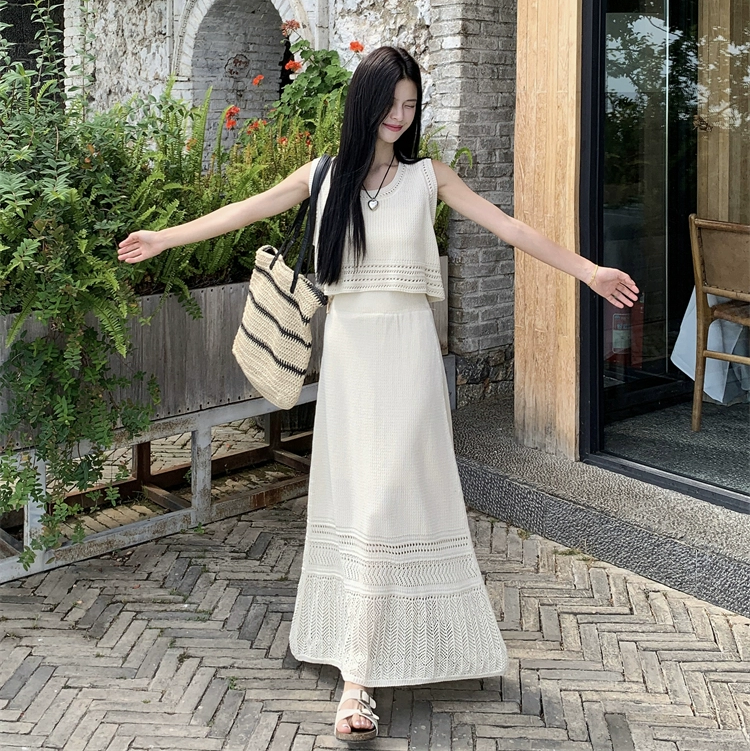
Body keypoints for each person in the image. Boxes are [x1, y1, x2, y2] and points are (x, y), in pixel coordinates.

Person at [118, 46, 639, 743]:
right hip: (351, 366)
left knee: (388, 501)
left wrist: (588, 271)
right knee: (361, 506)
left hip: (411, 362)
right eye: (392, 103)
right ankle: (358, 675)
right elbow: (245, 210)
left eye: (411, 105)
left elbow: (509, 227)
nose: (401, 116)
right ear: (366, 102)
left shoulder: (428, 178)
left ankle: (361, 675)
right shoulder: (324, 177)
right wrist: (164, 238)